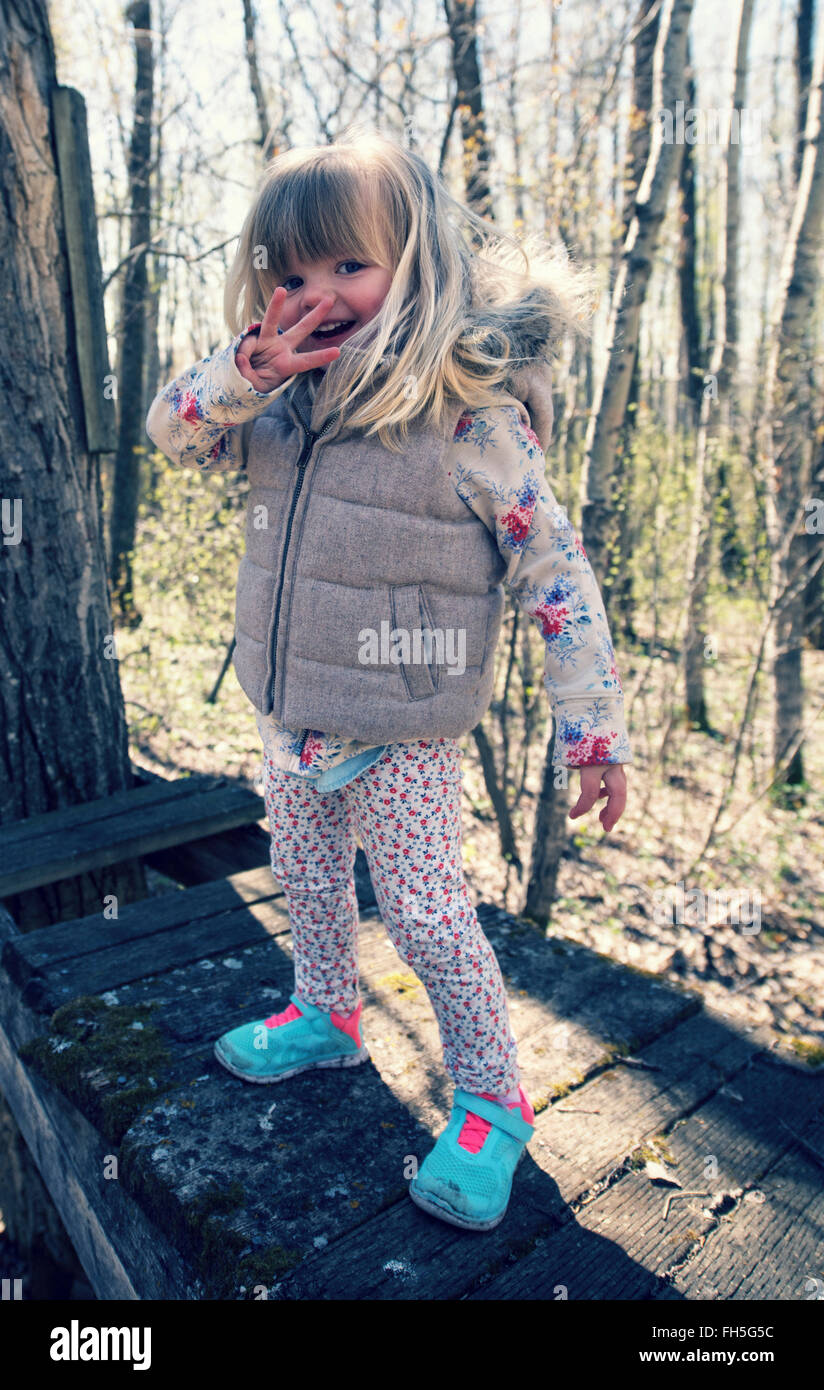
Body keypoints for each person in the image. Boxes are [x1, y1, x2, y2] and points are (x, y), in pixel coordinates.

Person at [145, 126, 632, 1233]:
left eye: (347, 267)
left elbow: (553, 571)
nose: (317, 293)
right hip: (288, 715)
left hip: (404, 725)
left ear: (417, 260)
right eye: (292, 271)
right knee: (304, 882)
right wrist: (243, 371)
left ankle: (491, 1100)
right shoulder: (271, 402)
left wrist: (590, 726)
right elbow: (171, 436)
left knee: (423, 915)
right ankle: (324, 1009)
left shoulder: (468, 415)